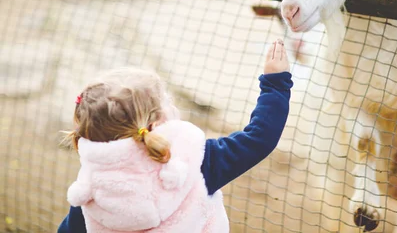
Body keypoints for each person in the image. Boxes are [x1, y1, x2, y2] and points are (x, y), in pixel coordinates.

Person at [58, 39, 292, 233]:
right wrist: (275, 84)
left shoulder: (90, 185)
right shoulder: (192, 163)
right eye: (167, 102)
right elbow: (259, 138)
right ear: (157, 123)